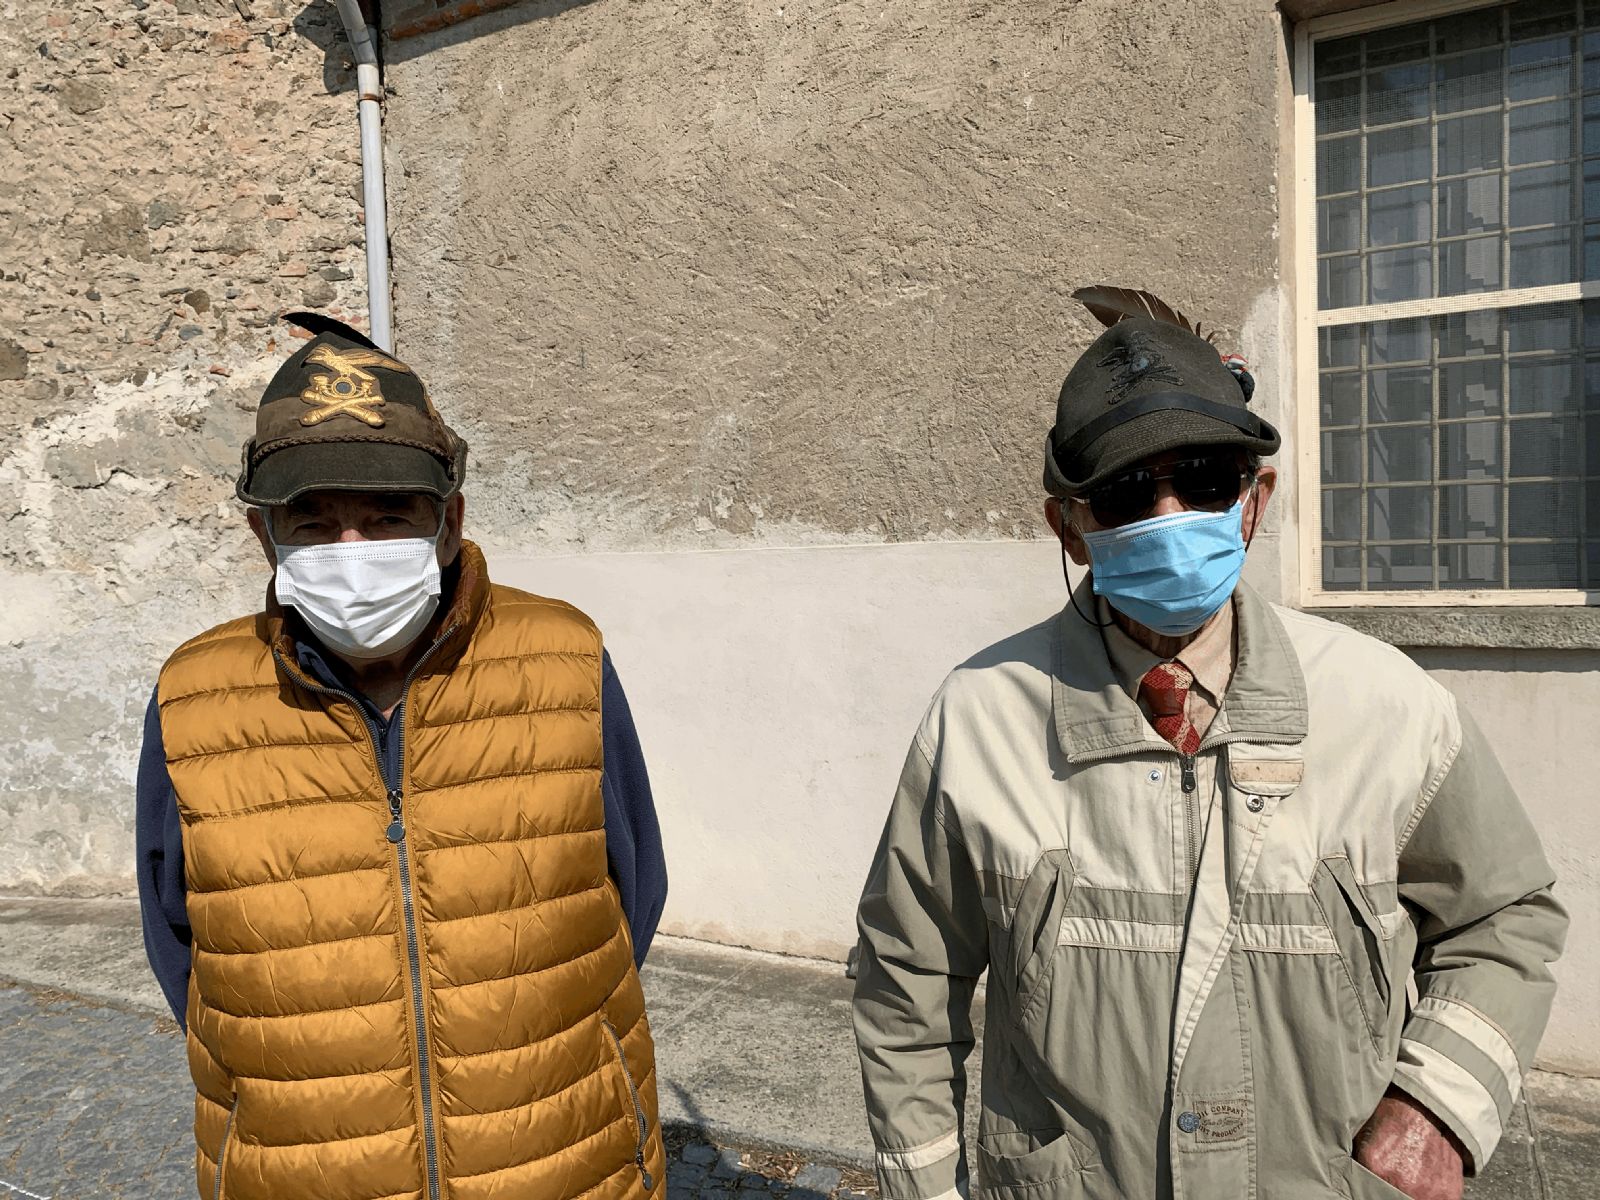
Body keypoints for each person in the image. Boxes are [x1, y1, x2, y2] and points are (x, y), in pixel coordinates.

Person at [851, 301, 1567, 1200]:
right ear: (1069, 527)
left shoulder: (1390, 707)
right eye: (1125, 493)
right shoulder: (978, 719)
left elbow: (1505, 917)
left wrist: (1436, 1107)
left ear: (1253, 503)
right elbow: (906, 982)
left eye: (1204, 480)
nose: (1169, 515)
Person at [136, 314, 668, 1200]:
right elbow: (181, 949)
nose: (354, 554)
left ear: (448, 522)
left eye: (389, 516)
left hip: (563, 1159)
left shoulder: (563, 659)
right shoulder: (194, 696)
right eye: (315, 523)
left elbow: (631, 891)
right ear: (266, 538)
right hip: (301, 1172)